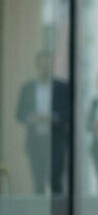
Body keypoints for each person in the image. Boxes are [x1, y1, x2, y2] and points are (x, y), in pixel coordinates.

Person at [15, 50, 71, 194]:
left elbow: (69, 112)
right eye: (42, 65)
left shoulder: (62, 88)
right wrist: (31, 118)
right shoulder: (28, 88)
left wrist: (54, 117)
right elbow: (20, 114)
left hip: (56, 140)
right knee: (38, 179)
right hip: (36, 140)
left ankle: (58, 208)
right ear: (37, 66)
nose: (45, 69)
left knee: (55, 178)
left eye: (48, 65)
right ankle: (39, 207)